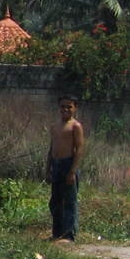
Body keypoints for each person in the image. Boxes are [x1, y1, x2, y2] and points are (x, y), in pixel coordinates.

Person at [47, 95, 85, 243]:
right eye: (63, 106)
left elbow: (79, 149)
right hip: (56, 166)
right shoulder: (55, 126)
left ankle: (69, 236)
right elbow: (51, 149)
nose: (65, 109)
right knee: (55, 202)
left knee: (69, 202)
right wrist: (48, 170)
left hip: (68, 165)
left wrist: (72, 171)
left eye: (69, 107)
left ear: (75, 108)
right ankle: (57, 234)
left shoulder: (75, 126)